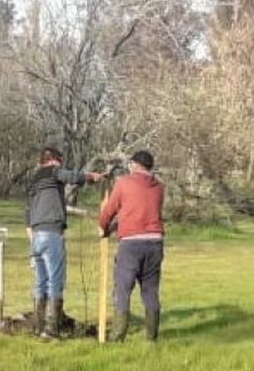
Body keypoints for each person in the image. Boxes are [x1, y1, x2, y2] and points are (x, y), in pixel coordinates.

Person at [25, 146, 104, 339]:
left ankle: (38, 325)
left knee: (40, 281)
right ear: (53, 160)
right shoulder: (53, 171)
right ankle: (52, 328)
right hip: (52, 232)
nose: (61, 164)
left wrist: (31, 236)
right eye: (60, 161)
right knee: (55, 280)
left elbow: (27, 212)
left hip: (36, 235)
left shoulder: (33, 181)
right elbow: (72, 177)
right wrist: (91, 177)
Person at [98, 149, 166, 342]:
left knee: (123, 289)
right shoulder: (159, 188)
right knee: (150, 290)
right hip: (155, 242)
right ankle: (152, 338)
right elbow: (144, 212)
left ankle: (118, 336)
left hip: (131, 244)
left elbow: (109, 210)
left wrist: (103, 227)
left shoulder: (123, 183)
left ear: (135, 165)